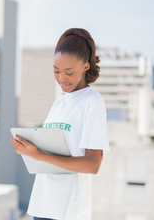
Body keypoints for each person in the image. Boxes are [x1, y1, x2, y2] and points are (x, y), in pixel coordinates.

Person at [10, 28, 110, 220]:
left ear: (85, 67)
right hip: (42, 204)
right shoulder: (59, 103)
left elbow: (93, 164)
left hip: (69, 210)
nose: (62, 79)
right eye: (56, 71)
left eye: (69, 72)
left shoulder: (92, 103)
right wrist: (29, 149)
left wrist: (38, 155)